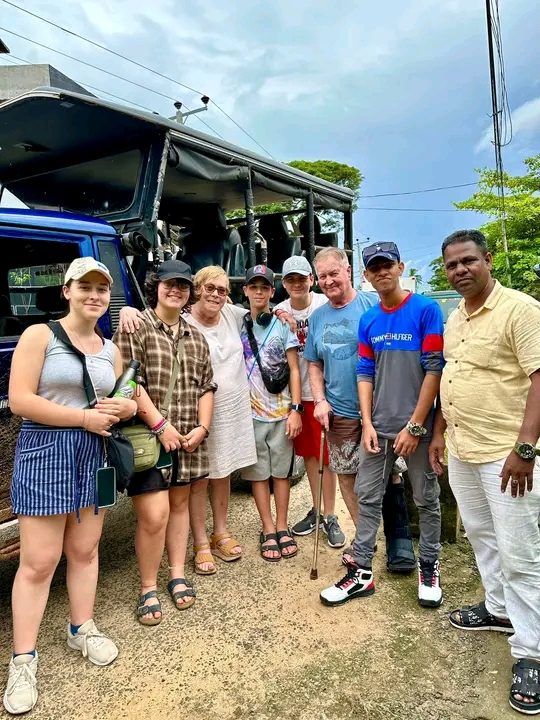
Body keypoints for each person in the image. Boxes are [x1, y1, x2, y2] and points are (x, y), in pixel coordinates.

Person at [4, 258, 138, 715]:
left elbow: (123, 396)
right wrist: (83, 418)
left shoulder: (109, 348)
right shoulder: (39, 336)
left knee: (85, 549)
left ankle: (81, 627)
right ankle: (23, 660)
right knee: (38, 562)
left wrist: (125, 409)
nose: (94, 295)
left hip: (95, 455)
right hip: (46, 451)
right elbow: (20, 400)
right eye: (85, 287)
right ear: (67, 291)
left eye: (102, 288)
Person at [428, 230, 540, 715]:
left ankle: (532, 651)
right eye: (452, 265)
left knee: (521, 553)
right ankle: (498, 609)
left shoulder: (520, 310)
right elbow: (451, 379)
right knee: (481, 536)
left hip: (506, 454)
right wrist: (439, 433)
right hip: (463, 449)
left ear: (488, 260)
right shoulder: (456, 317)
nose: (460, 271)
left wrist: (525, 448)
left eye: (468, 261)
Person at [320, 242, 444, 608]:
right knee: (367, 496)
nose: (381, 272)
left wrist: (416, 426)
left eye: (387, 265)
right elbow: (365, 371)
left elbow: (434, 369)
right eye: (374, 268)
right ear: (366, 275)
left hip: (417, 431)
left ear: (400, 267)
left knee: (426, 498)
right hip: (378, 428)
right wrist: (368, 423)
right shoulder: (370, 319)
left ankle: (429, 565)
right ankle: (361, 572)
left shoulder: (426, 310)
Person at [113, 259, 217, 626]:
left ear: (190, 293)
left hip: (188, 437)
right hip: (149, 438)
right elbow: (126, 382)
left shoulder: (196, 337)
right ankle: (147, 587)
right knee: (154, 516)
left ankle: (176, 574)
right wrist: (160, 425)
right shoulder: (135, 326)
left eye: (183, 285)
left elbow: (207, 386)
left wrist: (203, 427)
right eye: (169, 283)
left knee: (180, 506)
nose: (176, 290)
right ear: (155, 286)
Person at [303, 247, 412, 570]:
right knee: (347, 477)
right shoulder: (318, 317)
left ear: (348, 271)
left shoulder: (372, 305)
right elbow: (314, 363)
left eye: (333, 273)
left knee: (390, 474)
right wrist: (320, 400)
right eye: (322, 276)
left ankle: (399, 542)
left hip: (380, 410)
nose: (328, 281)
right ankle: (366, 541)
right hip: (340, 411)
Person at [273, 255, 345, 548]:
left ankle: (331, 515)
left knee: (327, 458)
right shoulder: (278, 311)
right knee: (311, 457)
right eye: (290, 279)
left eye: (302, 278)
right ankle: (317, 510)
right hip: (297, 396)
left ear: (311, 280)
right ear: (284, 283)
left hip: (323, 394)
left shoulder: (323, 305)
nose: (297, 284)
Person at [240, 264, 303, 561]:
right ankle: (267, 528)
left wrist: (296, 409)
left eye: (264, 287)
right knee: (258, 475)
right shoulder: (237, 323)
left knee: (281, 474)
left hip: (281, 414)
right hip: (250, 415)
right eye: (253, 287)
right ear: (245, 290)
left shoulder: (282, 324)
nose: (259, 292)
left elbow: (294, 369)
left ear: (271, 291)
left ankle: (282, 526)